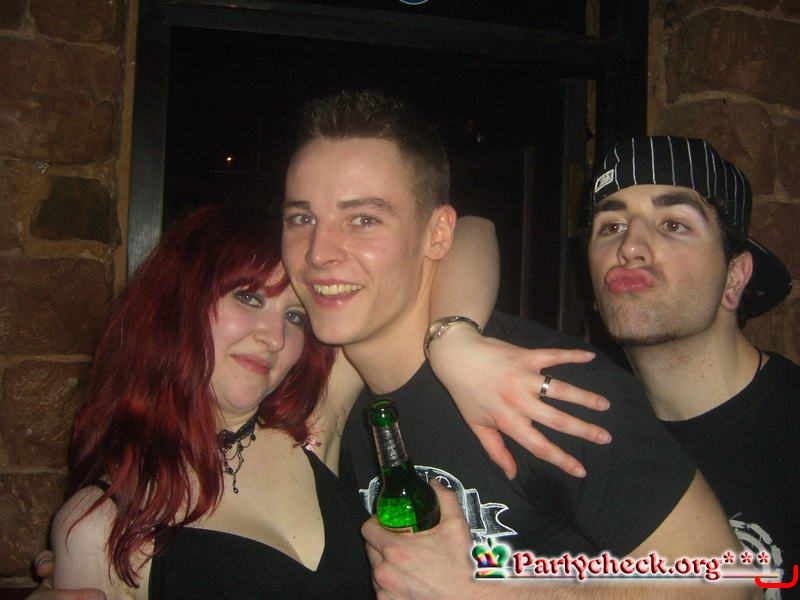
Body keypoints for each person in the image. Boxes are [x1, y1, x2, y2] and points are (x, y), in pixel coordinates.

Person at [280, 89, 758, 597]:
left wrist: (487, 591)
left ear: (438, 233)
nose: (319, 253)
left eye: (363, 219)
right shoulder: (331, 394)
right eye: (301, 219)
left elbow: (730, 584)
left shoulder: (551, 387)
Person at [44, 198, 609, 598]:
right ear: (177, 302)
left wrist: (455, 341)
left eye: (295, 315)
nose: (274, 336)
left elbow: (469, 230)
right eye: (248, 297)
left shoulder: (308, 428)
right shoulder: (101, 526)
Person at [586, 136, 799, 595]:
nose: (630, 247)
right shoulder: (589, 429)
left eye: (673, 224)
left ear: (734, 277)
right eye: (611, 225)